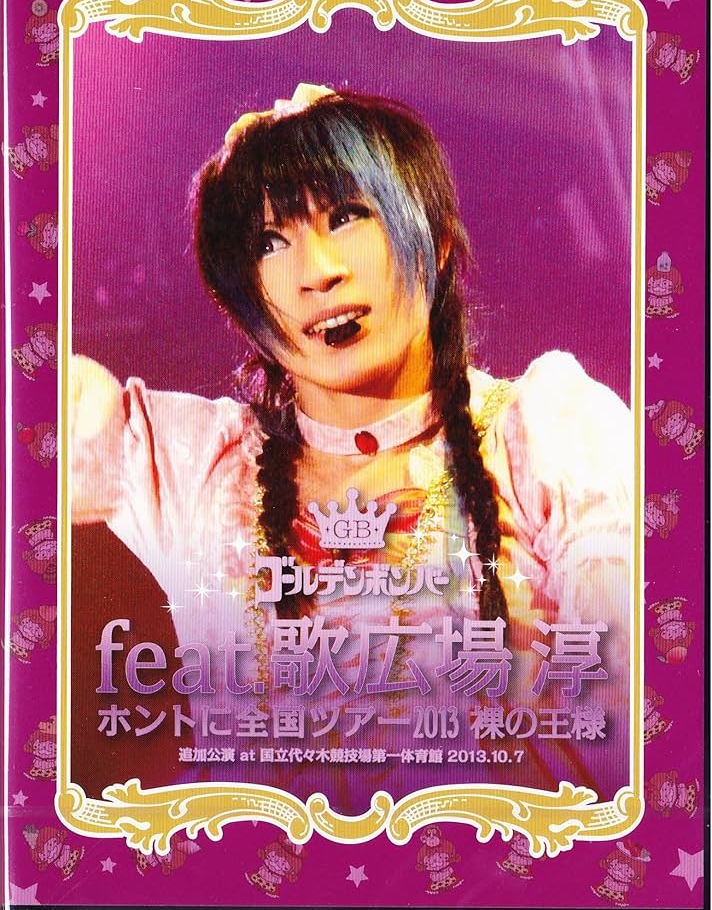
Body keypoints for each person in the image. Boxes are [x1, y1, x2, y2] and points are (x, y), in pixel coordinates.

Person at [72, 84, 631, 812]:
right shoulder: (194, 463)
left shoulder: (546, 428)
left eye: (346, 215)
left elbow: (635, 725)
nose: (316, 272)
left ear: (434, 241)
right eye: (269, 242)